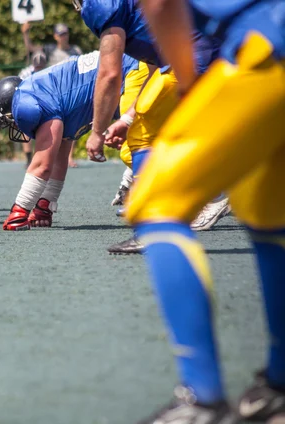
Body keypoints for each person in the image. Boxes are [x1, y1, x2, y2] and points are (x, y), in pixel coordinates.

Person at [121, 0, 285, 422]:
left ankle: (203, 399)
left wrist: (190, 82)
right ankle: (280, 386)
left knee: (155, 201)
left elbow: (160, 5)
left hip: (268, 45)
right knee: (267, 211)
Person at [73, 0, 223, 254]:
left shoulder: (100, 5)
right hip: (207, 51)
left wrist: (97, 132)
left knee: (143, 135)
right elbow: (155, 62)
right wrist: (127, 117)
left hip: (194, 54)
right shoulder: (130, 10)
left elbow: (110, 74)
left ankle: (153, 227)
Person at [0, 52, 145, 230]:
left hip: (131, 70)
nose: (14, 126)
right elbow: (58, 161)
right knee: (150, 142)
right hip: (132, 67)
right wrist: (44, 205)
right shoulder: (53, 96)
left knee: (138, 149)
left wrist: (19, 211)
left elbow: (42, 165)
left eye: (9, 121)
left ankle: (165, 202)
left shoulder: (26, 101)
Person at [18, 50, 47, 168]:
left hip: (45, 104)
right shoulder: (25, 73)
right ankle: (29, 158)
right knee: (25, 129)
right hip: (28, 102)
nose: (39, 69)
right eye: (37, 67)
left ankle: (44, 157)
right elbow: (18, 89)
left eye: (41, 67)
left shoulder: (51, 71)